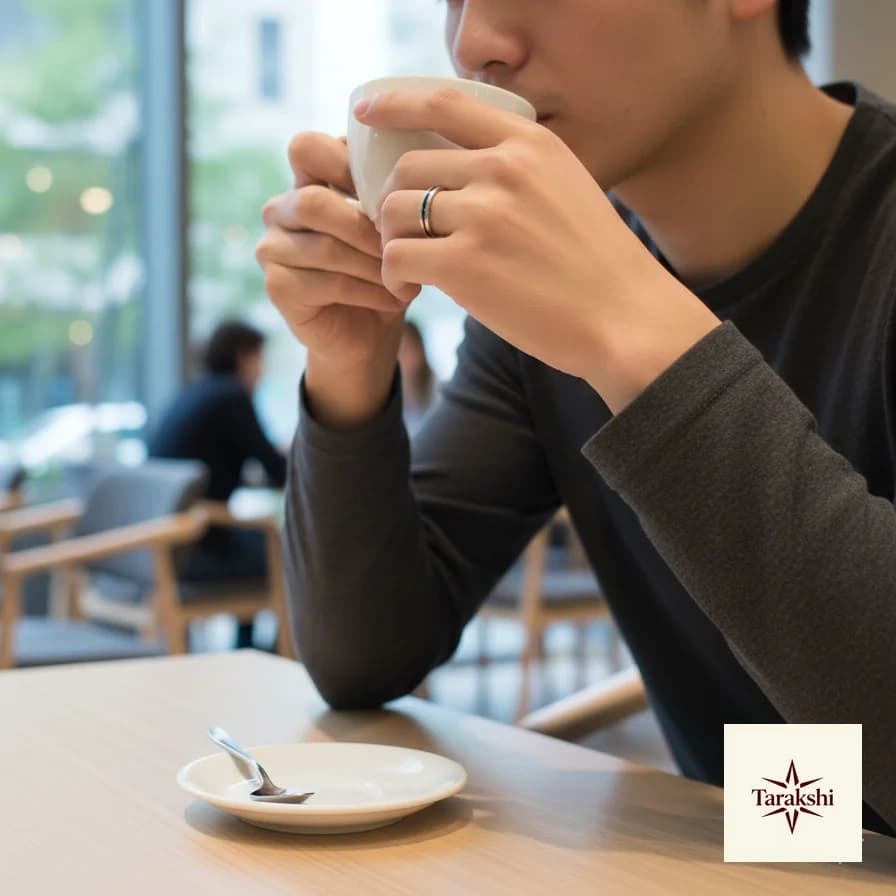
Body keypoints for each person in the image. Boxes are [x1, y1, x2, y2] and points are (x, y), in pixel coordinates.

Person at [256, 0, 896, 835]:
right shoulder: (539, 312)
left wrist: (638, 338)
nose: (474, 42)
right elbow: (363, 657)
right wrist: (349, 358)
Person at [149, 319, 286, 648]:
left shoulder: (197, 391)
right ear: (243, 356)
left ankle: (248, 651)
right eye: (259, 359)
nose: (261, 370)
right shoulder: (232, 396)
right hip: (196, 545)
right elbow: (277, 469)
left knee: (260, 541)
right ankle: (267, 655)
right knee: (290, 556)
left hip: (166, 543)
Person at [397, 319, 437, 433]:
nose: (400, 356)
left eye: (406, 349)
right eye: (397, 350)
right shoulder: (386, 392)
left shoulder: (437, 389)